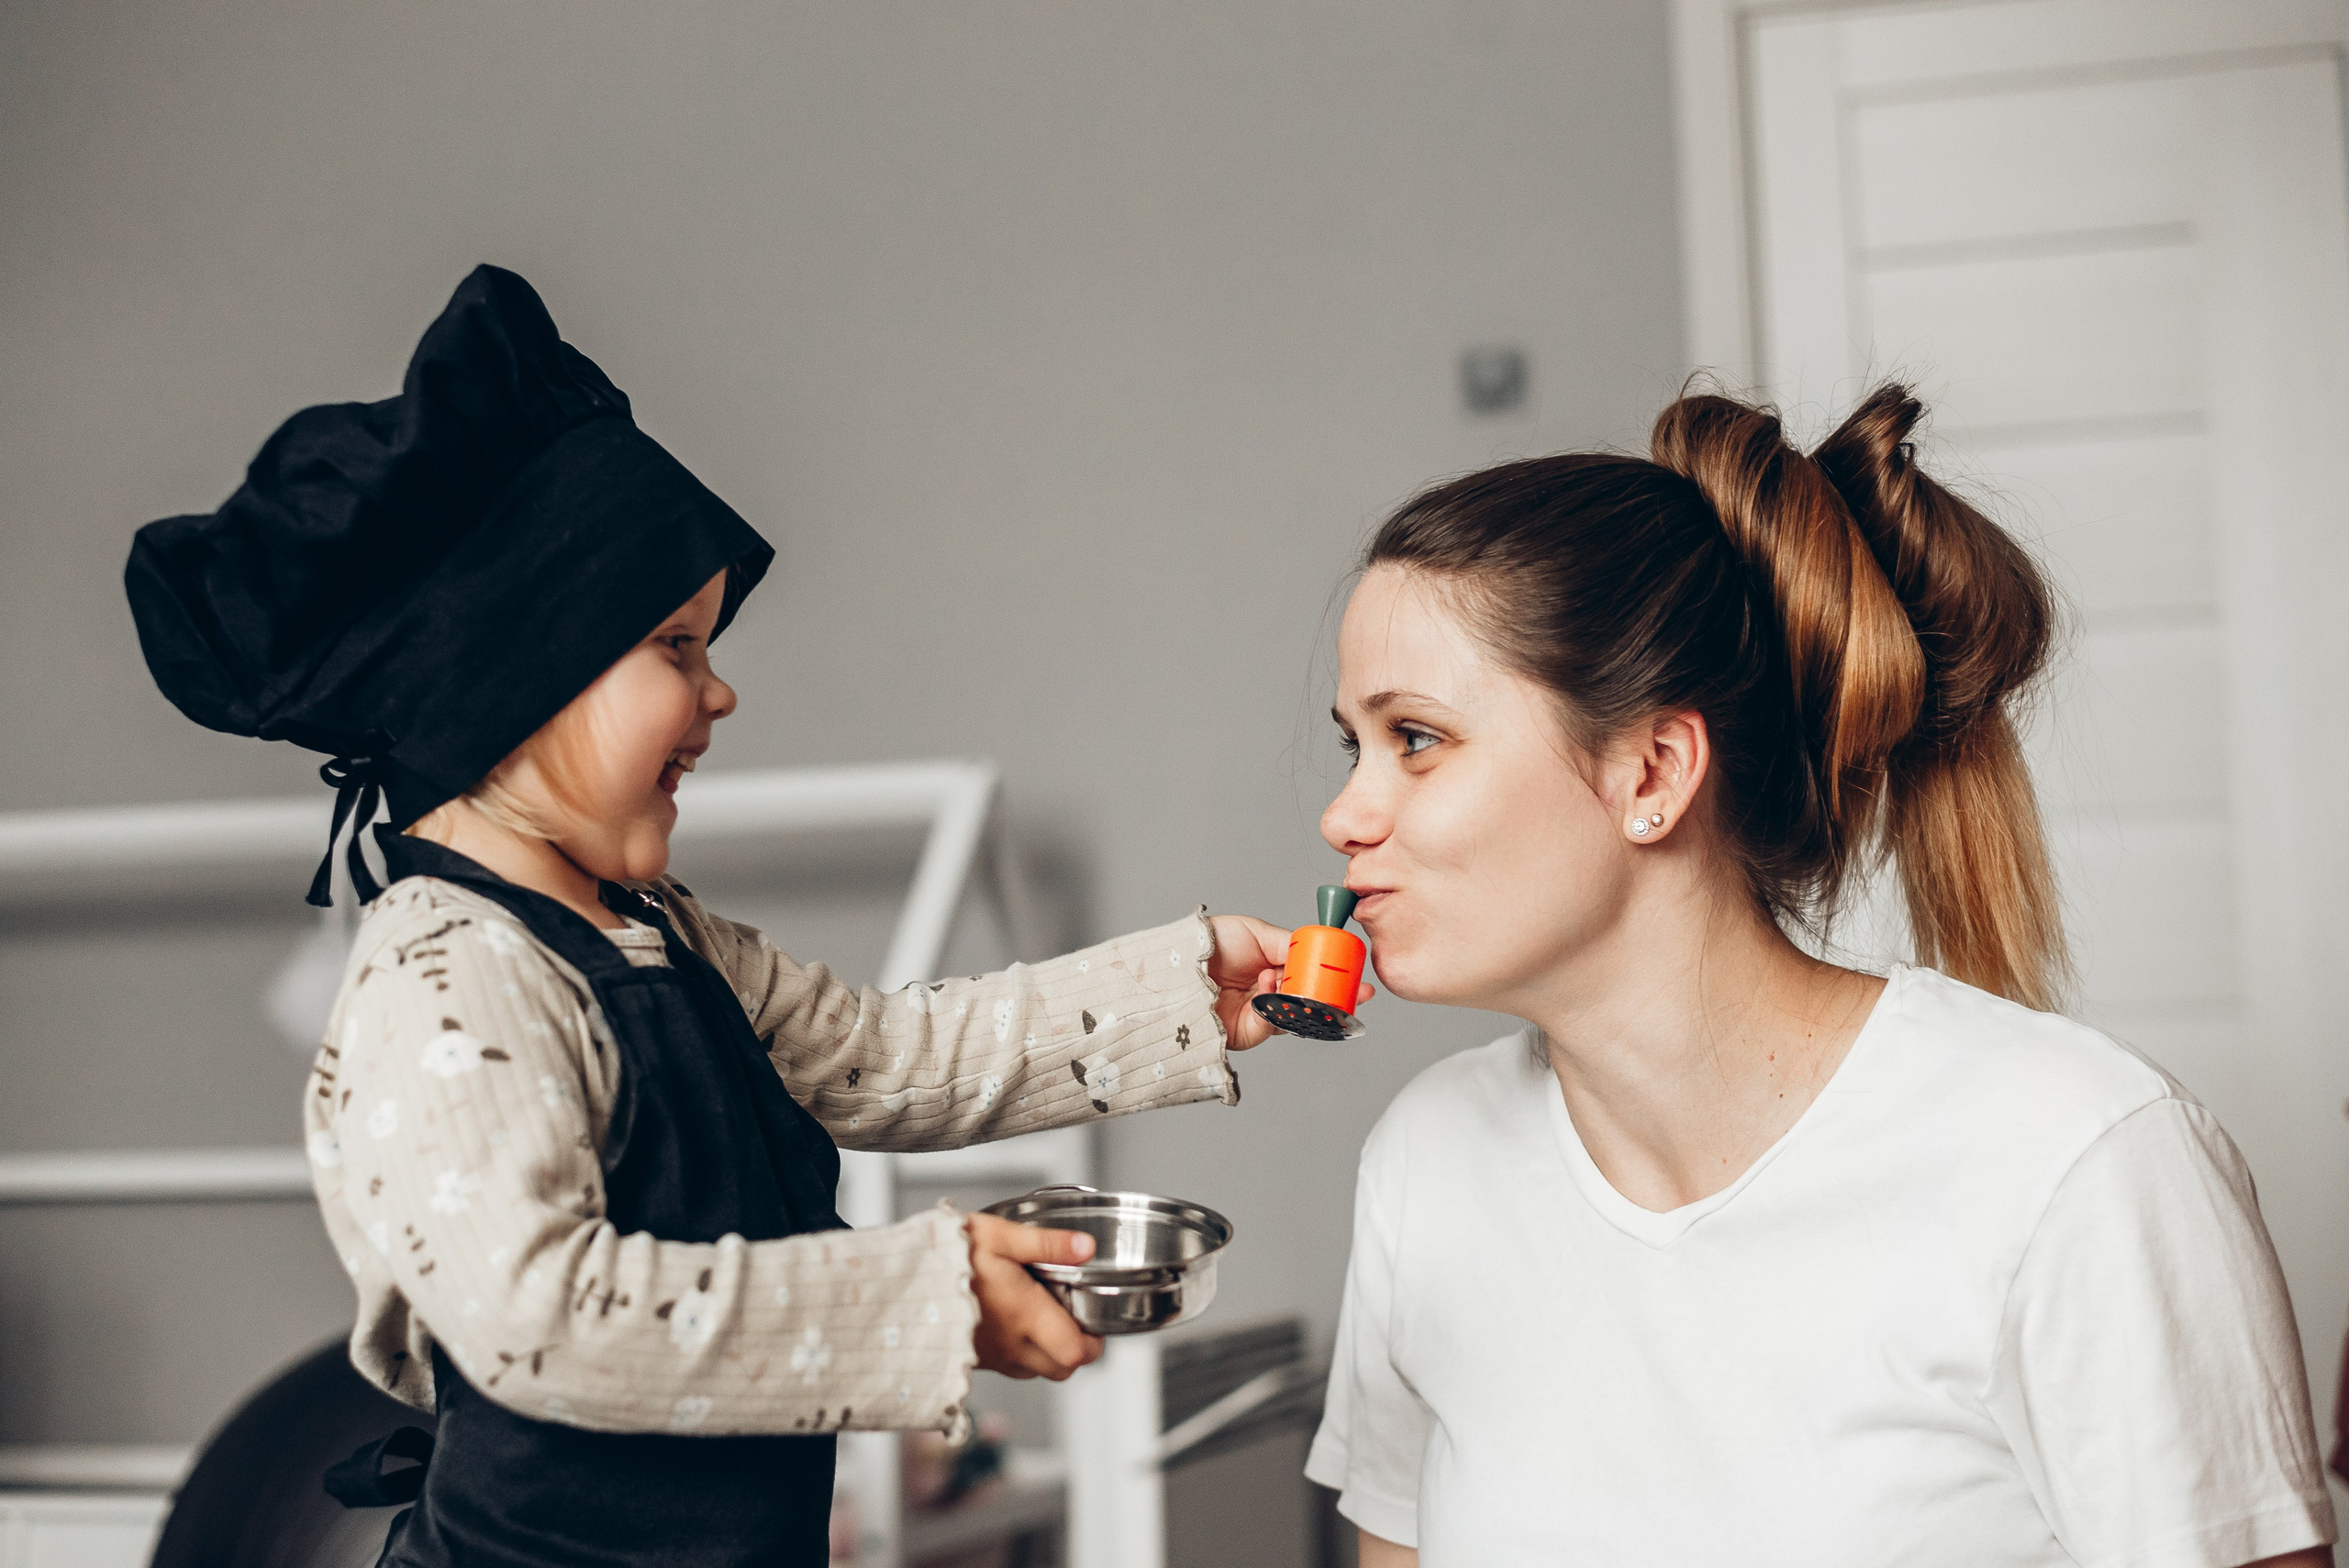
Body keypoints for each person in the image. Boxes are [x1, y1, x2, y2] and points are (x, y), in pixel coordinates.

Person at [124, 266, 1330, 1567]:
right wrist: (924, 1292)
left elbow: (890, 1057)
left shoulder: (662, 934)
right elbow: (547, 1318)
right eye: (674, 647)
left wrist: (1181, 992)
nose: (722, 690)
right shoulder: (445, 972)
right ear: (513, 675)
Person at [1301, 384, 2335, 1567]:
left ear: (1651, 770)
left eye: (1416, 740)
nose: (1346, 813)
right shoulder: (1426, 1166)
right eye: (1353, 744)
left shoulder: (2080, 1169)